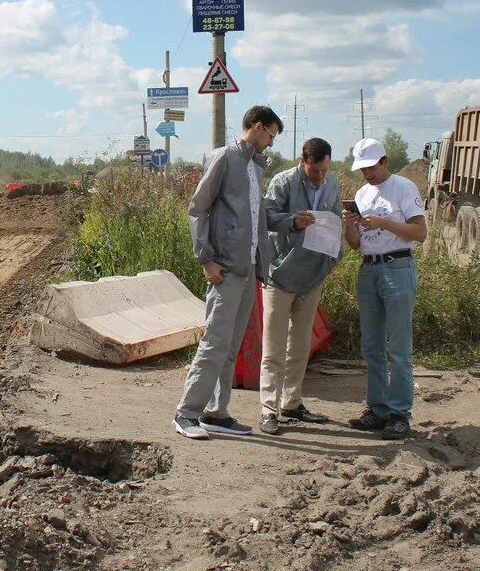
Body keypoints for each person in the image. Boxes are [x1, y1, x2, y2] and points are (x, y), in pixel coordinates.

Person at [173, 105, 283, 439]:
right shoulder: (225, 158)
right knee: (215, 342)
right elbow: (197, 208)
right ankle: (186, 413)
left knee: (231, 344)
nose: (271, 143)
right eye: (271, 136)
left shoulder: (254, 166)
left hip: (248, 267)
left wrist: (261, 266)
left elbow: (256, 217)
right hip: (225, 268)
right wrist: (206, 258)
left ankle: (216, 412)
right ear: (259, 126)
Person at [342, 137, 427, 440]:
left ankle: (399, 413)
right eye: (362, 168)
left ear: (384, 162)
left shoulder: (403, 188)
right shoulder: (362, 193)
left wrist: (385, 223)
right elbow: (354, 244)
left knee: (399, 347)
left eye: (371, 167)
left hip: (397, 267)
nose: (366, 173)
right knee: (372, 346)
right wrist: (350, 224)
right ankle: (378, 409)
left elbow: (420, 232)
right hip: (369, 268)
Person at [258, 137, 341, 435]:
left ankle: (291, 402)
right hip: (280, 274)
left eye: (325, 171)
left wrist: (334, 258)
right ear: (302, 161)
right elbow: (265, 218)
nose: (321, 177)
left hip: (313, 273)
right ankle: (268, 408)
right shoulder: (283, 182)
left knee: (300, 344)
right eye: (315, 171)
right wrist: (293, 221)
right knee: (274, 345)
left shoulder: (331, 185)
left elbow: (335, 221)